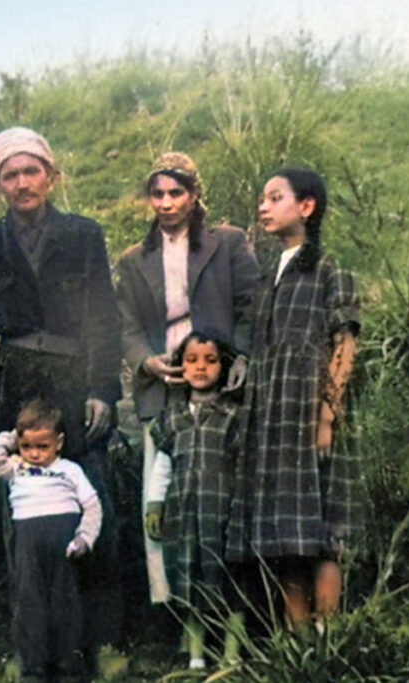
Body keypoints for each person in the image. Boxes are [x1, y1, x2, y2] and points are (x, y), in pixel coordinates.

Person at [0, 127, 125, 669]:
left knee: (92, 501)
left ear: (51, 175)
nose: (22, 183)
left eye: (31, 171)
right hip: (15, 390)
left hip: (74, 386)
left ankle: (104, 641)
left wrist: (102, 390)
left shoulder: (83, 235)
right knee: (20, 521)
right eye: (10, 175)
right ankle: (34, 647)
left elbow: (103, 317)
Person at [115, 152, 259, 603]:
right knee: (160, 491)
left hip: (217, 377)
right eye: (157, 194)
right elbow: (126, 325)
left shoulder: (228, 243)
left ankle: (231, 605)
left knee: (223, 490)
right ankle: (174, 605)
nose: (166, 202)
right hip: (163, 381)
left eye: (176, 192)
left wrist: (238, 359)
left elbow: (251, 306)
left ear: (194, 195)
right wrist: (146, 361)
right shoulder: (135, 259)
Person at [225, 167, 361, 635]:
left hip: (310, 411)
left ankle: (328, 638)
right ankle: (296, 643)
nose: (264, 206)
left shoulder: (328, 269)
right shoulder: (268, 275)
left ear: (306, 207)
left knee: (322, 531)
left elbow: (344, 342)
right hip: (272, 415)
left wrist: (328, 411)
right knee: (288, 536)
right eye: (262, 198)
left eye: (275, 197)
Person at [143, 330, 245, 671]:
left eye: (210, 360)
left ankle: (232, 656)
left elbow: (245, 465)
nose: (200, 368)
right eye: (191, 360)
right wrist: (155, 506)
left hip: (225, 517)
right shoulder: (172, 418)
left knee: (231, 587)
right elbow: (162, 467)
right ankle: (196, 657)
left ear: (224, 365)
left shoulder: (233, 414)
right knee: (188, 585)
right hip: (185, 517)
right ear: (179, 367)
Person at [0, 399, 102, 683]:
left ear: (59, 442)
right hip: (28, 539)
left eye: (43, 446)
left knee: (66, 603)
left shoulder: (70, 470)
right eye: (28, 447)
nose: (34, 454)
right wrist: (14, 437)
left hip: (63, 540)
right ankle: (34, 669)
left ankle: (68, 668)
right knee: (30, 602)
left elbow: (93, 506)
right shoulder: (15, 467)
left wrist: (85, 537)